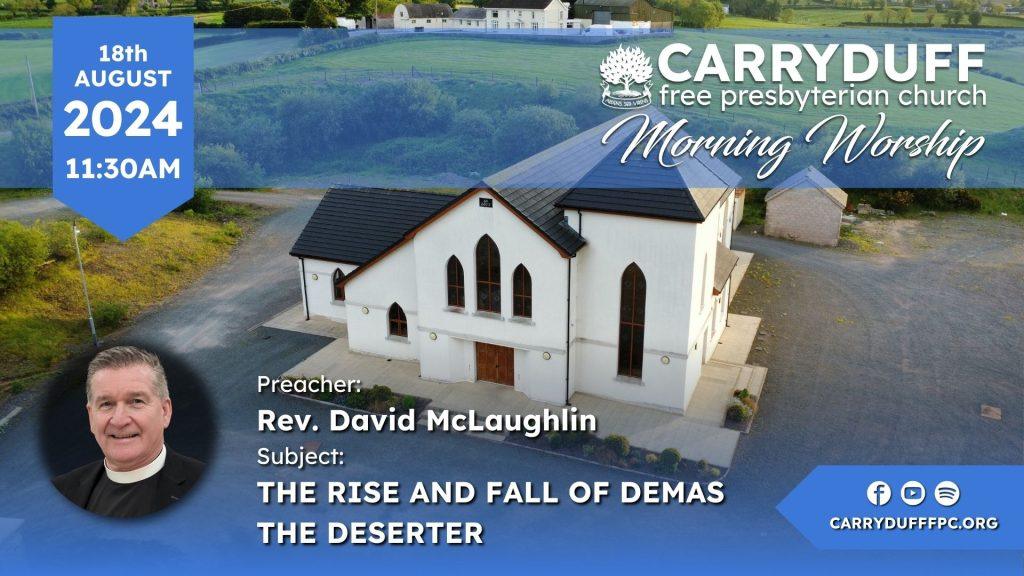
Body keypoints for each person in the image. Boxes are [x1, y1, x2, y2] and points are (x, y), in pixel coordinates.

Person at [52, 346, 205, 518]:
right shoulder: (59, 493)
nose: (119, 420)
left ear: (165, 411)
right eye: (106, 404)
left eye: (136, 401)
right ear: (91, 417)